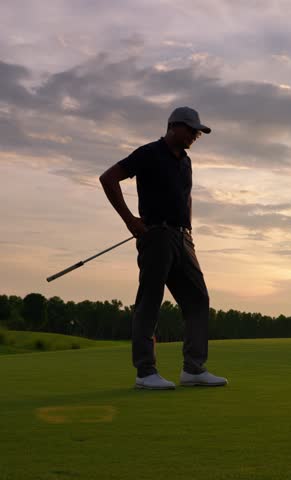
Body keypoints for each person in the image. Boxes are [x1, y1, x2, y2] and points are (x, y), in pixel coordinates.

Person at [99, 106, 227, 390]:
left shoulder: (186, 161)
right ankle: (145, 373)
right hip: (156, 235)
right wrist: (130, 220)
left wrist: (189, 230)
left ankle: (193, 369)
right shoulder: (148, 153)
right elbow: (108, 178)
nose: (196, 135)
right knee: (150, 302)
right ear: (174, 126)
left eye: (198, 131)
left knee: (198, 300)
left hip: (183, 238)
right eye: (192, 129)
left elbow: (187, 197)